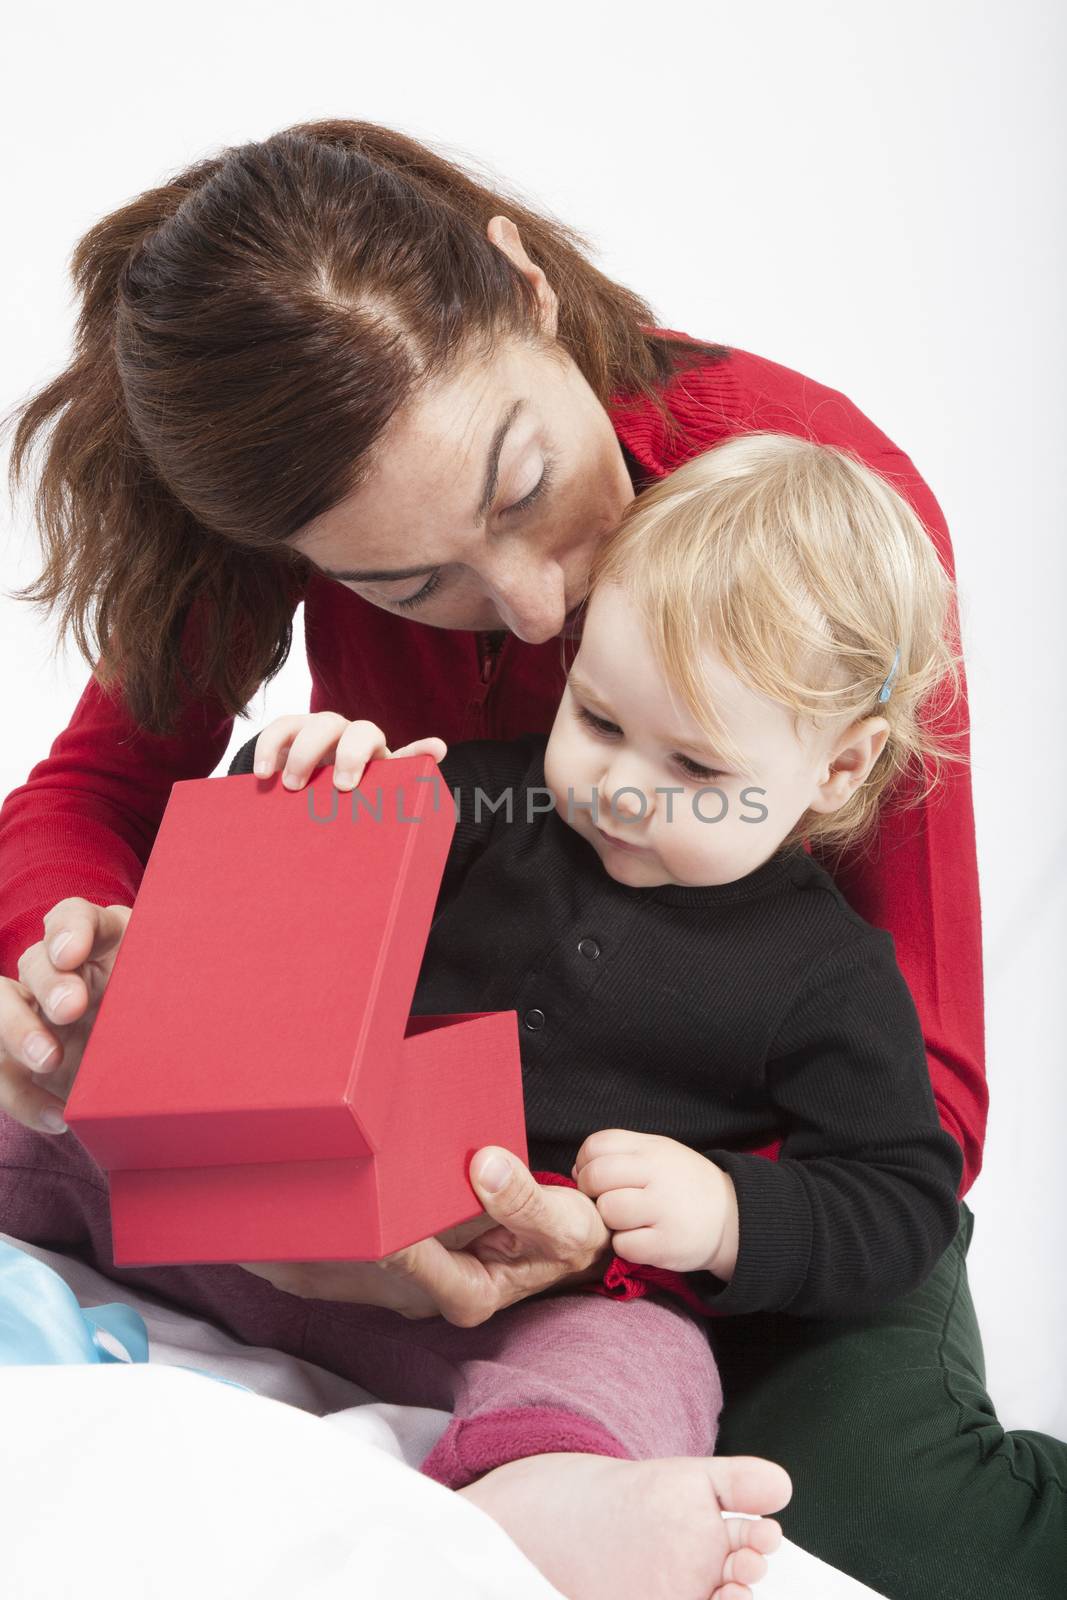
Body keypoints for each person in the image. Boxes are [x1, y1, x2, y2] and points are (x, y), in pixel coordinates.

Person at [0, 119, 1061, 1596]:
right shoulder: (297, 537)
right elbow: (104, 795)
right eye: (403, 583)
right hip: (431, 1148)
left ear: (521, 285)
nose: (524, 606)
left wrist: (621, 1239)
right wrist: (78, 978)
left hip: (713, 1169)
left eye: (519, 486)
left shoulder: (806, 512)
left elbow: (917, 1110)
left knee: (881, 1522)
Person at [218, 431, 967, 1596]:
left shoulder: (828, 973)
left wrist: (729, 1213)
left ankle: (547, 1489)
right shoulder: (498, 794)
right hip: (317, 1234)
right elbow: (260, 903)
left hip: (547, 1302)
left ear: (834, 767)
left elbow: (900, 1193)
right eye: (600, 720)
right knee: (82, 1139)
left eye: (696, 769)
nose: (620, 784)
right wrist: (289, 775)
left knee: (642, 1367)